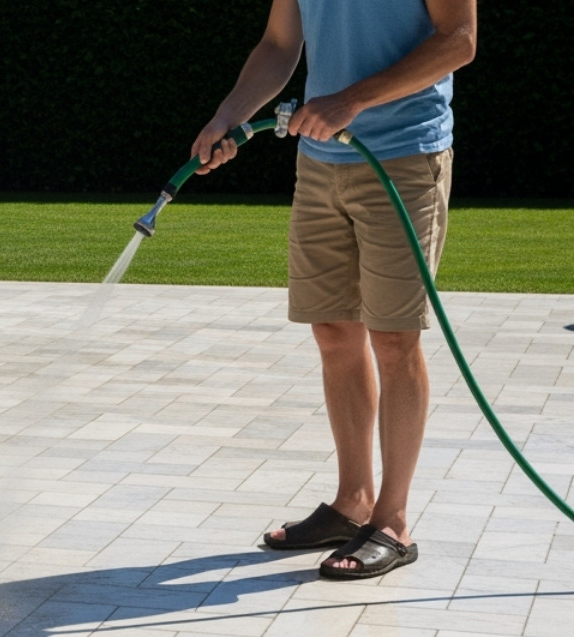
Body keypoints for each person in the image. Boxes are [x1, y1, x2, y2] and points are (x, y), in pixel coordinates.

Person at [192, 0, 476, 579]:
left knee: (394, 340)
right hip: (320, 160)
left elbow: (459, 40)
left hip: (404, 155)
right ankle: (353, 503)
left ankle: (393, 523)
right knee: (333, 331)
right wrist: (228, 116)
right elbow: (278, 45)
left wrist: (353, 99)